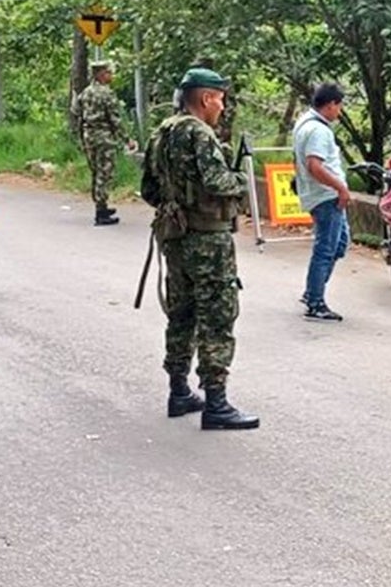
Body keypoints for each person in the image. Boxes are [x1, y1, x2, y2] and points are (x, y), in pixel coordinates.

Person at [141, 68, 259, 430]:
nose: (222, 106)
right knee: (217, 317)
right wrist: (242, 179)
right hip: (209, 240)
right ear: (206, 98)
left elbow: (148, 190)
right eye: (220, 98)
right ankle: (216, 404)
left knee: (182, 314)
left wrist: (178, 204)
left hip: (175, 239)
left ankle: (179, 392)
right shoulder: (200, 133)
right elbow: (218, 181)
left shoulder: (162, 133)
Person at [293, 82, 352, 322]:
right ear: (330, 105)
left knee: (339, 244)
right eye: (339, 107)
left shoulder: (303, 122)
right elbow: (314, 165)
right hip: (326, 196)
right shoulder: (319, 131)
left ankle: (312, 291)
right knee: (326, 249)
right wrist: (340, 188)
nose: (339, 112)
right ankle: (315, 301)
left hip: (321, 195)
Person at [71, 60, 127, 226]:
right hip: (104, 137)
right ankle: (101, 213)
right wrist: (126, 139)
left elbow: (76, 112)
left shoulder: (86, 93)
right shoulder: (106, 94)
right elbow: (115, 119)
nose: (111, 75)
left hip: (89, 136)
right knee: (105, 173)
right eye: (108, 72)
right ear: (102, 74)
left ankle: (101, 205)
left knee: (96, 172)